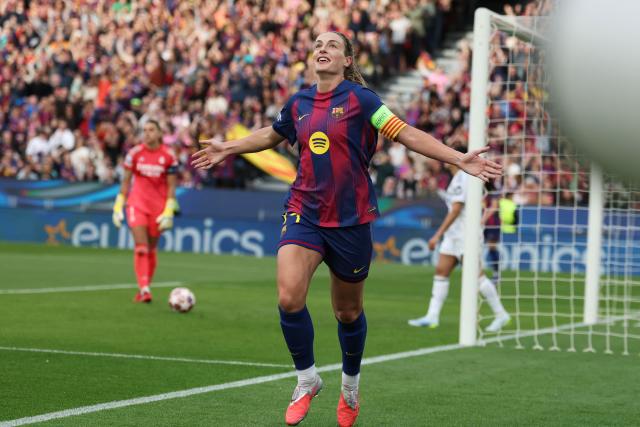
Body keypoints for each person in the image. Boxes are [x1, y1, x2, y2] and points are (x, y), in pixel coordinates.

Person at [191, 32, 502, 427]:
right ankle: (306, 379)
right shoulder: (299, 102)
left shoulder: (362, 100)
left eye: (333, 45)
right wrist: (227, 147)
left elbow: (406, 133)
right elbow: (272, 135)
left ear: (347, 59)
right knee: (289, 297)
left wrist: (458, 158)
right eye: (317, 43)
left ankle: (350, 386)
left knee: (348, 311)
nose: (322, 48)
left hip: (351, 219)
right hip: (303, 210)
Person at [408, 155, 511, 332]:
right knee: (441, 270)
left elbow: (456, 209)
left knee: (476, 276)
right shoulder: (457, 177)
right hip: (454, 234)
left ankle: (501, 315)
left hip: (466, 234)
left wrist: (437, 235)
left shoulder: (463, 176)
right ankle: (432, 316)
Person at [112, 120, 179, 303]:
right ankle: (144, 289)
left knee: (151, 248)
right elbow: (125, 183)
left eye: (151, 130)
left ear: (159, 134)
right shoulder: (134, 154)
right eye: (144, 130)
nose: (147, 133)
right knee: (141, 247)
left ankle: (145, 285)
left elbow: (172, 186)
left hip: (158, 208)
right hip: (137, 204)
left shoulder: (169, 156)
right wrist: (118, 206)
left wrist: (168, 211)